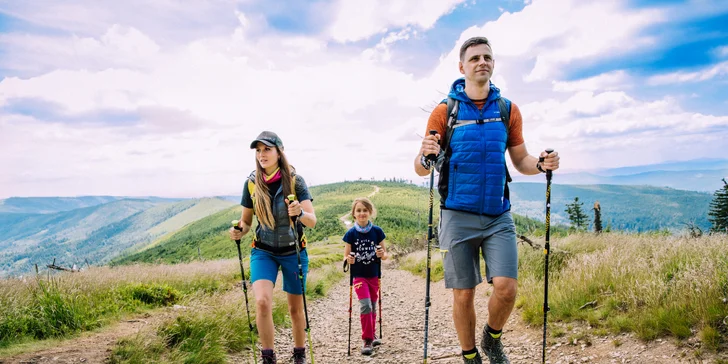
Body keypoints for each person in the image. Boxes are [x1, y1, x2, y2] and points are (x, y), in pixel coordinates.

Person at [413, 37, 560, 364]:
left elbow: (521, 159)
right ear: (462, 66)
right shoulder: (445, 112)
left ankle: (492, 339)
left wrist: (540, 164)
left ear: (493, 64)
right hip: (456, 215)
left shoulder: (507, 110)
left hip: (498, 215)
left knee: (506, 288)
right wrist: (426, 158)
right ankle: (470, 357)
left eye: (487, 57)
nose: (482, 62)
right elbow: (422, 167)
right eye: (475, 58)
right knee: (464, 294)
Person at [229, 131, 317, 364]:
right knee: (262, 301)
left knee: (295, 309)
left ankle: (299, 352)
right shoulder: (251, 184)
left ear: (279, 152)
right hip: (263, 250)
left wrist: (300, 212)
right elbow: (246, 222)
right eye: (258, 150)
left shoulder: (295, 181)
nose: (261, 154)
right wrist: (239, 229)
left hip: (293, 250)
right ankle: (268, 357)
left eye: (267, 149)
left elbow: (312, 220)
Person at [343, 197, 388, 356]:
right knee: (366, 305)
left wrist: (382, 254)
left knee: (373, 305)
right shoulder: (351, 234)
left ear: (370, 212)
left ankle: (373, 333)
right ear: (354, 214)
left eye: (365, 210)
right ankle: (367, 339)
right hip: (359, 276)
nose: (362, 213)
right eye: (359, 210)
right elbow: (345, 256)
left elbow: (385, 255)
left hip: (374, 275)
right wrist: (348, 260)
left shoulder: (377, 231)